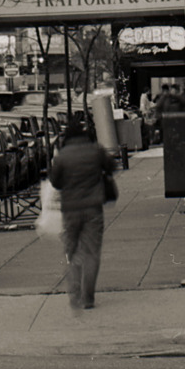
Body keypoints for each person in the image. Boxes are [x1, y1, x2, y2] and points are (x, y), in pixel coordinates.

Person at [49, 113, 114, 314]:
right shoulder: (96, 150)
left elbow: (55, 182)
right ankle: (88, 297)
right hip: (93, 207)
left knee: (72, 250)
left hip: (70, 209)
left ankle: (74, 292)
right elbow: (112, 167)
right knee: (92, 252)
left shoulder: (62, 156)